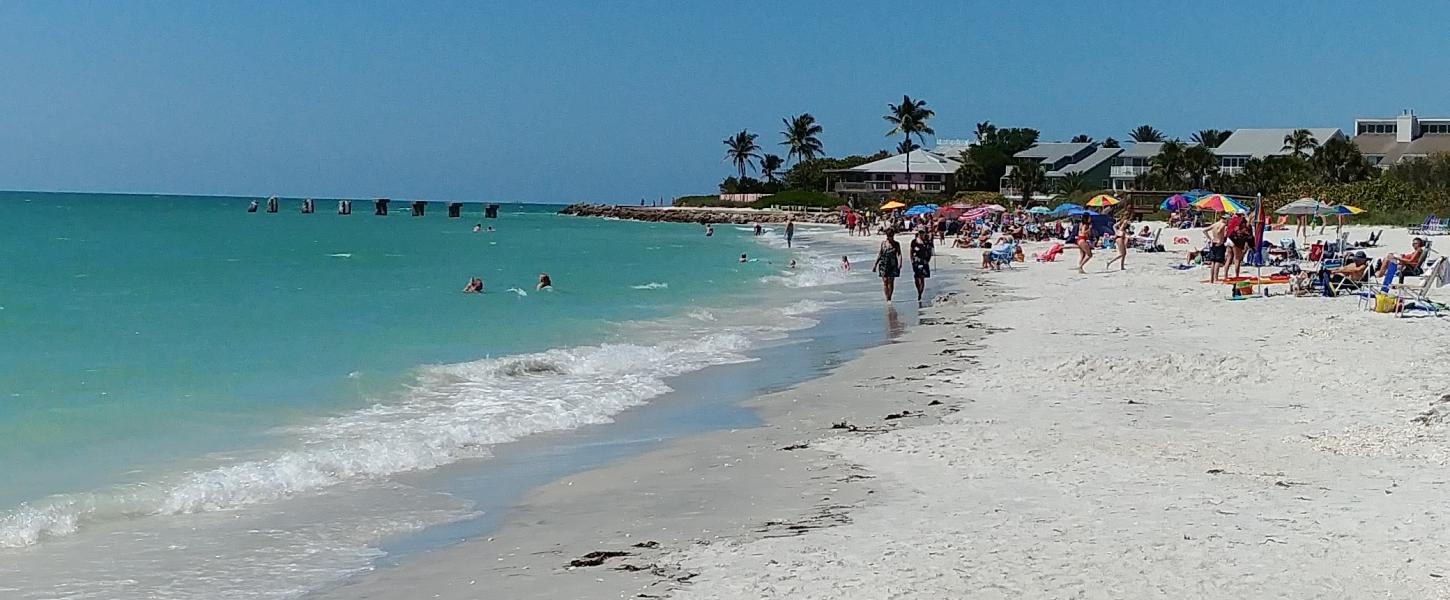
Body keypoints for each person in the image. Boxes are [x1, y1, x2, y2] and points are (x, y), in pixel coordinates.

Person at [872, 230, 902, 301]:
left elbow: (899, 254)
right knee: (885, 281)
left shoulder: (896, 244)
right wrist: (875, 265)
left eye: (891, 236)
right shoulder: (883, 243)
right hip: (883, 264)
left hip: (893, 264)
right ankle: (887, 297)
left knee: (891, 281)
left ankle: (890, 297)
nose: (890, 238)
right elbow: (880, 254)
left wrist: (900, 263)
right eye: (888, 236)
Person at [1226, 212, 1254, 279]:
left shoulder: (1232, 220)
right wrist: (1252, 246)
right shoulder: (1245, 223)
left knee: (1229, 258)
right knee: (1237, 259)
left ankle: (1225, 275)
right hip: (1236, 241)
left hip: (1229, 239)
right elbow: (1249, 236)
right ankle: (1237, 275)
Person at [1204, 215, 1229, 283]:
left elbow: (1204, 230)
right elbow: (1218, 231)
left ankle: (1211, 279)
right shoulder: (1222, 224)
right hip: (1219, 243)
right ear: (1224, 219)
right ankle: (1215, 279)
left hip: (1213, 243)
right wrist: (1221, 240)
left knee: (1213, 262)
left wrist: (1210, 238)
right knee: (1218, 262)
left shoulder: (1215, 224)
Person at [910, 230, 933, 302]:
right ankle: (918, 290)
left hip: (924, 261)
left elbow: (930, 251)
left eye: (923, 232)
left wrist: (928, 260)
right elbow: (911, 251)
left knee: (922, 278)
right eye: (920, 233)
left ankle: (920, 294)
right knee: (917, 278)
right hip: (916, 261)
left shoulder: (927, 242)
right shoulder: (914, 241)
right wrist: (912, 261)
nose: (922, 234)